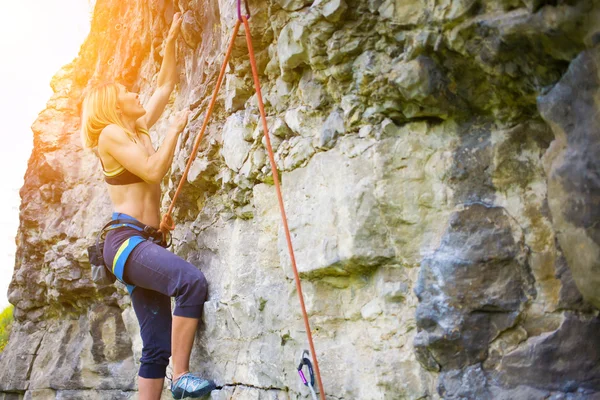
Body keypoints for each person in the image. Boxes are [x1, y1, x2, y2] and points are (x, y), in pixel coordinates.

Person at [80, 12, 215, 400]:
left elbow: (165, 85)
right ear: (113, 104)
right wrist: (173, 130)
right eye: (128, 92)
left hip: (142, 243)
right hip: (125, 242)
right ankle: (183, 377)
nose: (136, 94)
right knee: (190, 282)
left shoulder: (136, 129)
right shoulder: (110, 135)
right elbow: (155, 171)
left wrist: (169, 42)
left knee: (154, 348)